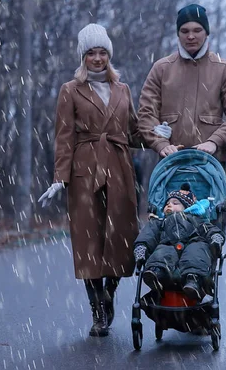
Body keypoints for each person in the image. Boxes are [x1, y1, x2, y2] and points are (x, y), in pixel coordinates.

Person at [37, 23, 171, 338]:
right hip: (84, 173)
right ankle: (98, 309)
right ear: (83, 57)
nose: (97, 58)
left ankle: (109, 292)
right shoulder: (70, 90)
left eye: (102, 53)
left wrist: (157, 136)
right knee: (89, 243)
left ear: (108, 56)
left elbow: (133, 132)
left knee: (121, 240)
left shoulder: (122, 90)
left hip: (120, 171)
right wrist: (60, 177)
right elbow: (64, 137)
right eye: (91, 53)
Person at [137, 3, 226, 166]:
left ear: (206, 33)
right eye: (185, 31)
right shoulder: (161, 68)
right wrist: (161, 144)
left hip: (212, 161)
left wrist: (214, 142)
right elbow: (146, 113)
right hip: (170, 162)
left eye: (197, 30)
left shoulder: (224, 69)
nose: (191, 36)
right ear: (178, 34)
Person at [133, 184, 225, 301]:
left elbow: (210, 229)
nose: (169, 205)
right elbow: (148, 234)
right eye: (167, 204)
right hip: (168, 244)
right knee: (162, 251)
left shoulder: (195, 220)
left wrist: (215, 237)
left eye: (175, 203)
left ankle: (193, 280)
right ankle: (156, 273)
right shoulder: (161, 222)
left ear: (187, 208)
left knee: (197, 250)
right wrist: (142, 246)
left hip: (192, 243)